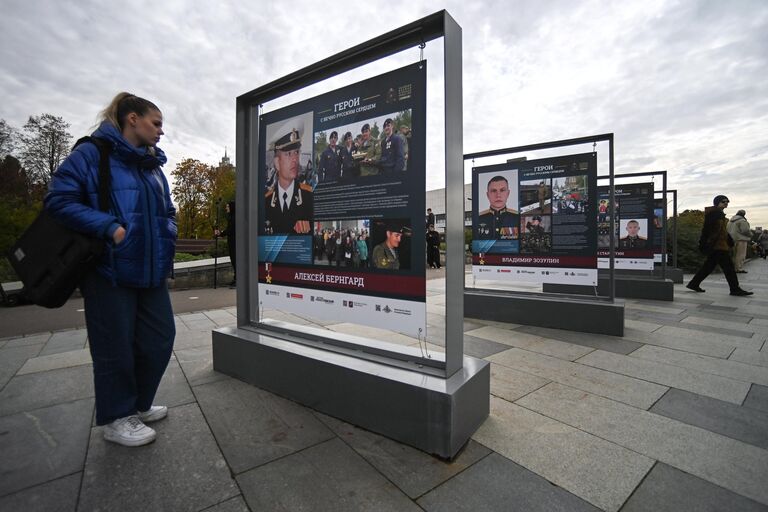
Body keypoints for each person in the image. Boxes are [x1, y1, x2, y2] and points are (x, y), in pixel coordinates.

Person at [45, 92, 176, 446]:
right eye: (156, 122)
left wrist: (169, 233)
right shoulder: (92, 153)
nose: (161, 131)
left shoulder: (152, 166)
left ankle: (138, 405)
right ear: (132, 118)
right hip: (108, 270)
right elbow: (58, 200)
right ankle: (117, 417)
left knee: (160, 339)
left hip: (150, 271)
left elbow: (168, 211)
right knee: (113, 346)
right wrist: (106, 226)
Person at [687, 195, 753, 296]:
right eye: (723, 201)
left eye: (727, 201)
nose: (726, 203)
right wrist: (704, 243)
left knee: (709, 266)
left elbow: (722, 231)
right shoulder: (714, 214)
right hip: (718, 246)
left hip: (718, 245)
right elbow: (708, 230)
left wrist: (729, 240)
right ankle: (735, 289)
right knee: (729, 268)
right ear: (717, 202)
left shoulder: (718, 214)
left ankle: (694, 283)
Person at [264, 129, 313, 234]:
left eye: (296, 152)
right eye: (288, 154)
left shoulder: (309, 196)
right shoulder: (267, 201)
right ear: (277, 163)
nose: (295, 159)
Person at [215, 201, 236, 287]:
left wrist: (221, 233)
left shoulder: (234, 218)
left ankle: (237, 279)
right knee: (233, 260)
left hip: (234, 242)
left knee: (235, 260)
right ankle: (236, 278)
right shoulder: (231, 217)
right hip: (231, 241)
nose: (226, 208)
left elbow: (230, 229)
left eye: (227, 206)